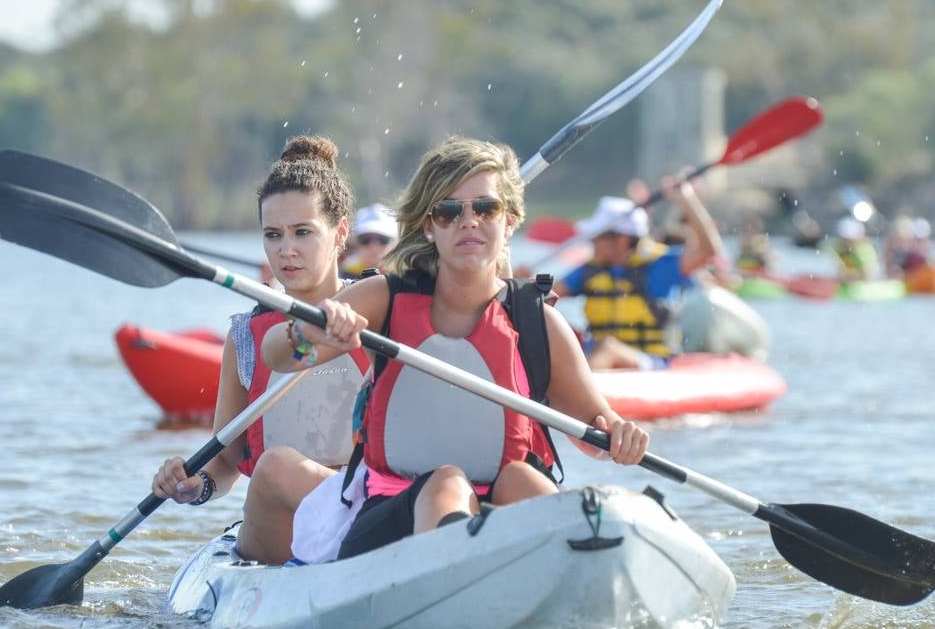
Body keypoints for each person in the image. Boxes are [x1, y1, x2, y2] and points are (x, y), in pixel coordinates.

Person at [259, 136, 651, 561]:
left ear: (511, 219)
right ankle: (460, 572)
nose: (469, 222)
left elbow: (596, 430)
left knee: (523, 477)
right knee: (446, 481)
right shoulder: (384, 298)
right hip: (389, 516)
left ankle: (581, 562)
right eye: (449, 212)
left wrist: (621, 434)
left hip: (501, 507)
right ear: (429, 226)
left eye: (486, 208)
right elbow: (277, 354)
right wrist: (312, 333)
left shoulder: (538, 322)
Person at [150, 136, 370, 564]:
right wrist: (194, 486)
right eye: (273, 235)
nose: (285, 250)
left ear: (340, 231)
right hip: (277, 529)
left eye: (303, 232)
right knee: (276, 466)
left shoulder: (379, 311)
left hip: (366, 505)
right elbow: (226, 462)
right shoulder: (246, 337)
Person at [553, 176, 721, 371]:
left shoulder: (660, 266)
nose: (591, 241)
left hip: (651, 362)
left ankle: (576, 396)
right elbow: (545, 298)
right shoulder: (590, 270)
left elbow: (709, 250)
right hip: (599, 363)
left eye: (597, 236)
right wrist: (523, 281)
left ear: (622, 240)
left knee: (608, 348)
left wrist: (686, 200)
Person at [341, 203, 398, 277]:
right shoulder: (342, 276)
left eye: (383, 239)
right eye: (365, 240)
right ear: (356, 243)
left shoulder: (406, 276)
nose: (374, 247)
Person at [828, 215, 881, 282]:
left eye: (850, 239)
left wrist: (847, 275)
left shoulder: (865, 251)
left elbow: (869, 274)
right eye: (844, 238)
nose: (846, 242)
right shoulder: (835, 247)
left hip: (861, 288)